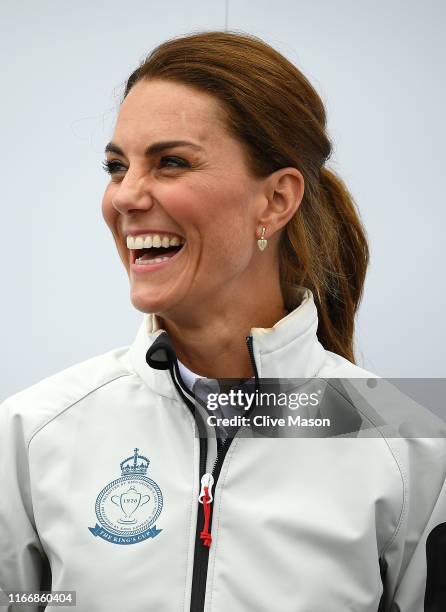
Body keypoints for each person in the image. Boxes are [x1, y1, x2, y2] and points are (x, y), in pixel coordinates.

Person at [1, 30, 445, 612]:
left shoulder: (409, 453)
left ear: (276, 201)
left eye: (171, 162)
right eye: (116, 166)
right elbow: (24, 601)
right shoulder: (31, 435)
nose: (126, 196)